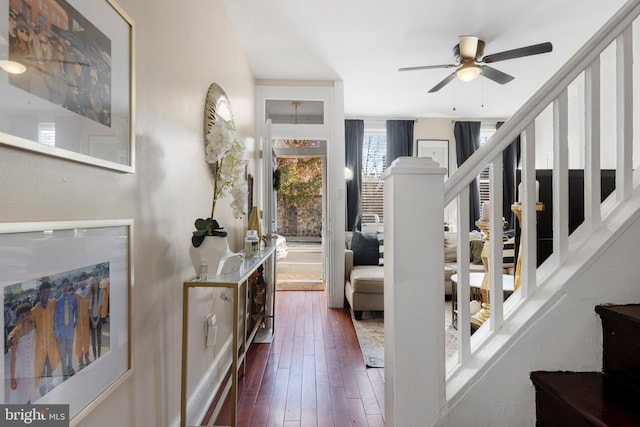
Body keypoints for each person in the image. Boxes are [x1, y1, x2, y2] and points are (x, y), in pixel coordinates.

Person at [31, 281, 60, 396]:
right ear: (39, 294)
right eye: (43, 292)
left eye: (47, 292)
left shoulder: (52, 304)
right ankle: (43, 389)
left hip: (51, 343)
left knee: (50, 366)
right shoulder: (34, 311)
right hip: (40, 346)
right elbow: (24, 325)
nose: (45, 295)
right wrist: (12, 335)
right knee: (41, 368)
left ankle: (50, 384)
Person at [8, 303, 36, 404]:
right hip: (21, 367)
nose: (25, 318)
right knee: (22, 396)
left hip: (32, 363)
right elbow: (13, 358)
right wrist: (12, 378)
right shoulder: (16, 335)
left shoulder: (34, 325)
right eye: (22, 317)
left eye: (27, 314)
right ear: (18, 319)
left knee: (30, 394)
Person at [54, 278, 77, 380]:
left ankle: (70, 368)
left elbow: (76, 309)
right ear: (61, 288)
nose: (65, 287)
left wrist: (75, 320)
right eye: (63, 286)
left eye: (67, 285)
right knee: (63, 355)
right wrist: (57, 335)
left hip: (70, 331)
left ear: (68, 286)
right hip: (61, 335)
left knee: (70, 352)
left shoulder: (72, 298)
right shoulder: (57, 302)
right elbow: (54, 320)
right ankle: (64, 373)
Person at [74, 273, 91, 368]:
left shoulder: (89, 291)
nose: (83, 283)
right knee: (79, 341)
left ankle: (87, 358)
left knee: (86, 340)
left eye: (85, 280)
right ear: (79, 282)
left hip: (87, 320)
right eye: (81, 281)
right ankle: (80, 361)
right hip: (79, 321)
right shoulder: (76, 294)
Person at [88, 277, 103, 360]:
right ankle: (95, 357)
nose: (95, 286)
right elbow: (89, 309)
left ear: (98, 284)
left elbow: (101, 306)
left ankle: (99, 355)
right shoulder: (90, 294)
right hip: (92, 319)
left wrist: (97, 320)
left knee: (99, 337)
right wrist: (93, 321)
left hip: (98, 318)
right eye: (93, 285)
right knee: (93, 339)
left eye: (96, 284)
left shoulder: (101, 292)